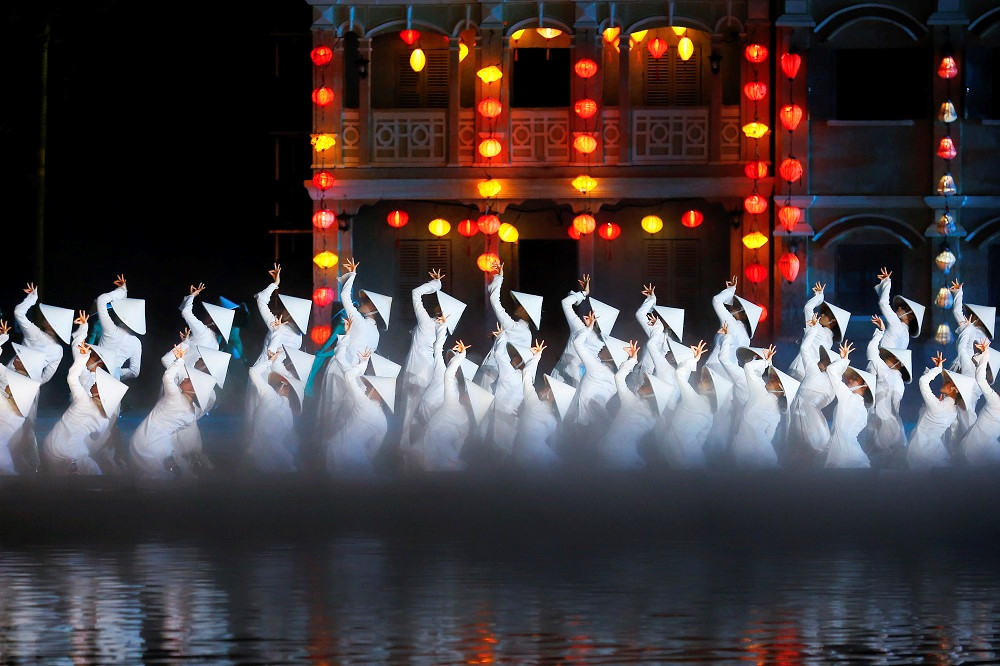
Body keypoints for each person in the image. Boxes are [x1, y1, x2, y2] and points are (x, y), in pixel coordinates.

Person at [315, 258, 391, 436]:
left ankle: (323, 448)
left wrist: (353, 275)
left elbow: (344, 298)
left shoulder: (360, 323)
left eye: (367, 303)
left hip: (339, 370)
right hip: (355, 375)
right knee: (343, 415)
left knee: (329, 411)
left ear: (375, 310)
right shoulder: (376, 334)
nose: (363, 303)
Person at [129, 347, 216, 479]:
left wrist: (180, 360)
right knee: (175, 475)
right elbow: (207, 404)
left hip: (146, 439)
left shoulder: (175, 397)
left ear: (193, 390)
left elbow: (168, 377)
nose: (183, 380)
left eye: (187, 380)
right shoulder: (193, 412)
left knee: (169, 475)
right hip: (160, 443)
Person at [42, 343, 128, 475]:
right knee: (91, 470)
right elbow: (97, 437)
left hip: (53, 447)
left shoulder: (84, 400)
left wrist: (83, 357)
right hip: (71, 452)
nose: (95, 382)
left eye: (97, 384)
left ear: (102, 393)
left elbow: (72, 378)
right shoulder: (104, 417)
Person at [412, 340, 483, 472]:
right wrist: (460, 356)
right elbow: (448, 374)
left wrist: (452, 463)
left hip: (434, 458)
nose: (466, 393)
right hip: (424, 450)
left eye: (468, 394)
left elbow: (458, 446)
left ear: (471, 403)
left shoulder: (456, 407)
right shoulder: (454, 401)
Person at [325, 348, 395, 478]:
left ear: (376, 391)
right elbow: (371, 452)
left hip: (336, 451)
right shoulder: (384, 423)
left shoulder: (364, 403)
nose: (367, 389)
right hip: (356, 460)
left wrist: (363, 363)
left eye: (369, 387)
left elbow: (349, 377)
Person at [475, 259, 540, 391]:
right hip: (502, 375)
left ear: (525, 312)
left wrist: (499, 278)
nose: (517, 306)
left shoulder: (515, 328)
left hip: (494, 372)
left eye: (521, 306)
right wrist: (498, 338)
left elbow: (494, 301)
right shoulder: (525, 332)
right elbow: (514, 350)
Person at [598, 341, 665, 469]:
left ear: (653, 393)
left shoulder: (654, 416)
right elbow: (619, 378)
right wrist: (632, 360)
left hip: (623, 460)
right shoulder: (631, 401)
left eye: (646, 385)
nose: (641, 385)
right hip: (608, 454)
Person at [512, 340, 574, 471]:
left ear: (551, 395)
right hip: (535, 457)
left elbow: (526, 376)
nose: (543, 386)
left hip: (524, 456)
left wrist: (537, 356)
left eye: (547, 386)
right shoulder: (554, 419)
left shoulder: (535, 405)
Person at [732, 345, 798, 468]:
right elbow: (749, 367)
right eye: (771, 377)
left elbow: (769, 436)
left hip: (758, 454)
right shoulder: (760, 390)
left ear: (781, 389)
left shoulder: (773, 408)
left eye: (773, 380)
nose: (769, 380)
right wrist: (766, 362)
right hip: (747, 452)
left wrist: (766, 362)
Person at [784, 316, 836, 467]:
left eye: (823, 358)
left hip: (807, 413)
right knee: (804, 445)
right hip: (805, 412)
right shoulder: (823, 377)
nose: (820, 359)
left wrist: (813, 330)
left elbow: (805, 349)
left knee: (807, 444)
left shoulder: (820, 374)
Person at [907, 352, 973, 469]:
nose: (944, 382)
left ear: (955, 389)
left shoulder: (937, 406)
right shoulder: (953, 411)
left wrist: (938, 369)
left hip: (919, 450)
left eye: (948, 382)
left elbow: (923, 381)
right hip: (935, 450)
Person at [661, 340, 721, 468]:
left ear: (711, 391)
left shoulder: (693, 399)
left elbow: (679, 375)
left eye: (705, 380)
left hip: (679, 455)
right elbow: (701, 437)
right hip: (692, 457)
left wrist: (694, 359)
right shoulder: (710, 412)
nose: (701, 379)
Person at [244, 350, 303, 473]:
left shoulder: (270, 395)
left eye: (279, 383)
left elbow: (253, 372)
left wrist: (270, 361)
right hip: (275, 461)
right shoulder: (289, 415)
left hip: (260, 458)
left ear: (285, 386)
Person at [865, 315, 910, 468]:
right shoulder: (898, 380)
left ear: (899, 363)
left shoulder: (887, 373)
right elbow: (895, 406)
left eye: (890, 357)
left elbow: (872, 352)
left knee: (879, 458)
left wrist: (880, 332)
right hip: (889, 422)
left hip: (884, 422)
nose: (885, 358)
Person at [824, 341, 876, 469]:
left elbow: (831, 370)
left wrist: (844, 359)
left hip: (845, 453)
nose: (850, 380)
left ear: (865, 386)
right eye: (850, 377)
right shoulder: (861, 408)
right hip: (846, 451)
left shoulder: (848, 397)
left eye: (855, 378)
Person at [789, 282, 851, 380]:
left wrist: (819, 296)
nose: (821, 315)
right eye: (822, 313)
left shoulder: (820, 331)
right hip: (810, 373)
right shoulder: (829, 338)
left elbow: (808, 308)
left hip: (799, 370)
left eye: (826, 314)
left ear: (833, 322)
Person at [704, 276, 762, 376]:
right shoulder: (745, 336)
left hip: (715, 370)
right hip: (727, 372)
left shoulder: (733, 325)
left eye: (738, 307)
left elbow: (716, 300)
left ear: (744, 315)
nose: (733, 307)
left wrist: (731, 290)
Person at [95, 274, 144, 381]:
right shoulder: (136, 342)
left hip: (94, 373)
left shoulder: (111, 329)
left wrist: (121, 291)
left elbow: (101, 300)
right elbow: (134, 371)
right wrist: (116, 372)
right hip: (112, 382)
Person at [961, 341, 1000, 465]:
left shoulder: (995, 401)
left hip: (978, 443)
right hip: (977, 443)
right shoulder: (995, 400)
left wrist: (985, 355)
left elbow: (981, 380)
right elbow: (981, 379)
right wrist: (983, 356)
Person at [874, 267, 924, 349]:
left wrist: (887, 282)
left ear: (911, 316)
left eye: (904, 307)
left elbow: (883, 303)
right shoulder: (906, 336)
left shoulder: (896, 324)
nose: (899, 307)